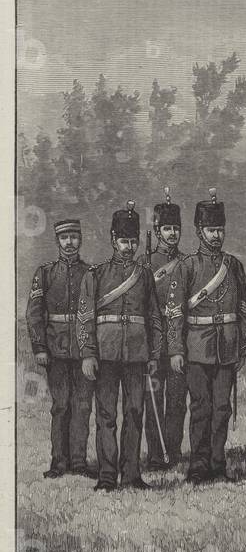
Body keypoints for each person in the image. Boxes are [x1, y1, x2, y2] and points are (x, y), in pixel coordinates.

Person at [165, 189, 246, 484]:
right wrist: (176, 350)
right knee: (200, 407)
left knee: (222, 408)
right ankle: (198, 465)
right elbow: (175, 312)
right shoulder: (187, 266)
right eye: (211, 230)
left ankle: (217, 463)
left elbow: (243, 310)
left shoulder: (234, 265)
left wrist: (242, 346)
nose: (216, 236)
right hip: (197, 347)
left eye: (219, 230)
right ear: (200, 231)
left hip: (226, 347)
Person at [77, 202, 163, 492]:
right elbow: (85, 317)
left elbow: (154, 317)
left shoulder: (145, 275)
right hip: (106, 353)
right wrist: (88, 353)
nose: (129, 247)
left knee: (135, 412)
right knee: (106, 416)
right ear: (113, 240)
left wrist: (154, 354)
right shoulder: (96, 275)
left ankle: (131, 475)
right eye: (124, 241)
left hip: (137, 354)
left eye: (133, 242)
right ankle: (106, 476)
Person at [27, 218, 96, 479]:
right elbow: (34, 314)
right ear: (57, 241)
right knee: (60, 406)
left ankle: (78, 462)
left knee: (82, 406)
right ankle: (59, 463)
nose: (70, 242)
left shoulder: (90, 273)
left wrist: (92, 351)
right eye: (65, 238)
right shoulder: (44, 273)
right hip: (55, 350)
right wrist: (39, 347)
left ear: (80, 240)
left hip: (83, 351)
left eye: (74, 237)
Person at [143, 190, 187, 470]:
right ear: (157, 230)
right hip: (151, 343)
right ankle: (156, 455)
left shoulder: (187, 263)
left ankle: (174, 450)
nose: (172, 234)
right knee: (153, 399)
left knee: (177, 400)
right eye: (166, 228)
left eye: (175, 228)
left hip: (180, 342)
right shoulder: (144, 264)